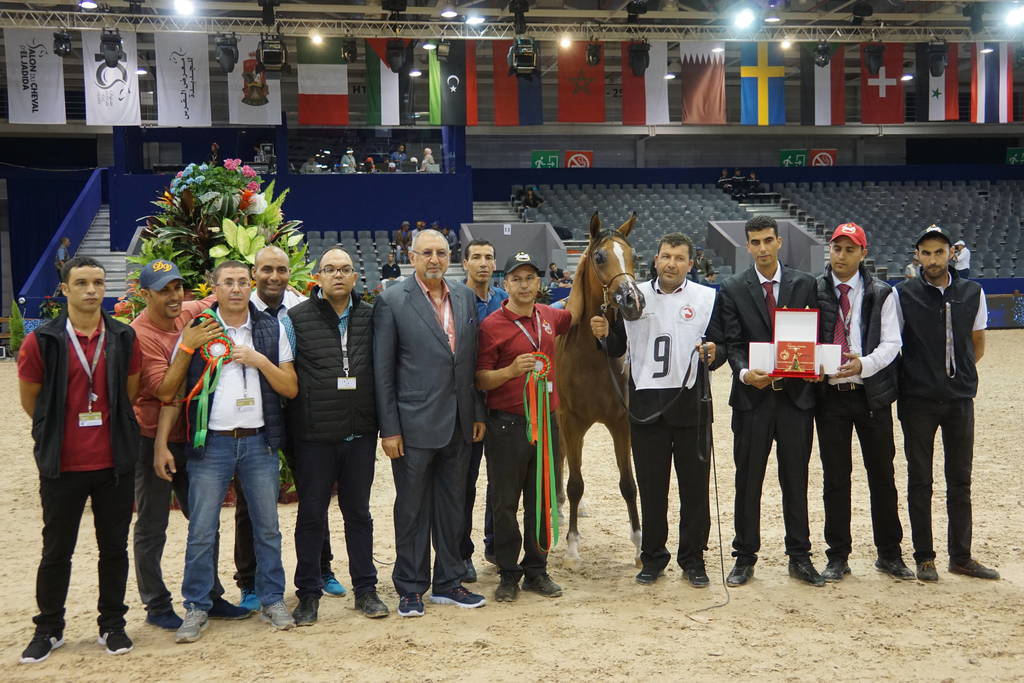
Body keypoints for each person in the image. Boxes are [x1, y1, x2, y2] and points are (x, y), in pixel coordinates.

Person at [155, 260, 298, 643]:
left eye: (241, 282)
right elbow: (171, 394)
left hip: (258, 442)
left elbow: (290, 388)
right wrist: (162, 443)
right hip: (210, 444)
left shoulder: (270, 328)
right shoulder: (197, 331)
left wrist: (260, 360)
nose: (236, 289)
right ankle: (197, 606)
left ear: (250, 286)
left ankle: (272, 599)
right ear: (213, 288)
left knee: (267, 528)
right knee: (202, 530)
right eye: (227, 282)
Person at [17, 256, 142, 663]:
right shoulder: (43, 341)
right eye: (83, 283)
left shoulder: (123, 337)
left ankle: (113, 624)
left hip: (113, 464)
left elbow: (130, 393)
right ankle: (49, 628)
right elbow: (31, 402)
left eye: (99, 283)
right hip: (63, 465)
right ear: (65, 290)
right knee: (56, 551)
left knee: (114, 549)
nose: (92, 290)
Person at [590, 234, 725, 587]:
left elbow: (722, 345)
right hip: (647, 409)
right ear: (656, 258)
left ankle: (693, 559)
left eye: (679, 258)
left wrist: (715, 352)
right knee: (651, 489)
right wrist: (603, 334)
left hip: (691, 407)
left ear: (690, 263)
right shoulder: (634, 296)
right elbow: (618, 345)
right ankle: (653, 557)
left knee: (694, 490)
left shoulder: (707, 298)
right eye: (666, 256)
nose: (671, 263)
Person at [373, 229, 487, 617]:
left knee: (454, 505)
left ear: (450, 256)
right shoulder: (391, 301)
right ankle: (409, 588)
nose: (434, 259)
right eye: (427, 253)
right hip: (413, 427)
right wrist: (389, 429)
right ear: (411, 255)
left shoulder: (466, 296)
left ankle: (449, 582)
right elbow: (383, 371)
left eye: (441, 252)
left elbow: (471, 364)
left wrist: (475, 415)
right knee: (412, 510)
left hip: (459, 423)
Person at [131, 260, 250, 630]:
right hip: (153, 439)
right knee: (152, 526)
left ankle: (209, 595)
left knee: (204, 522)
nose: (173, 296)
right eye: (163, 289)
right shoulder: (140, 334)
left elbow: (227, 296)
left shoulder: (188, 312)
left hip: (195, 436)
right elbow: (164, 391)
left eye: (177, 288)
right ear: (144, 294)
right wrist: (187, 347)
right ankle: (156, 603)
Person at [235, 247, 345, 611]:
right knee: (249, 503)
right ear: (255, 272)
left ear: (290, 273)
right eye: (267, 269)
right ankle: (248, 582)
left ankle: (321, 569)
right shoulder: (238, 311)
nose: (274, 277)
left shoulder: (302, 308)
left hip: (301, 412)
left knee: (314, 494)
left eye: (281, 270)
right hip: (255, 415)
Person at [718, 215, 824, 587]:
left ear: (779, 242)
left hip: (796, 400)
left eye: (768, 241)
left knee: (795, 479)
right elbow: (732, 344)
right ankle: (744, 558)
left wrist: (815, 366)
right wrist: (746, 373)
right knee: (748, 481)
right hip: (752, 400)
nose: (762, 248)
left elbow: (815, 336)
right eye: (755, 242)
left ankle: (800, 557)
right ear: (747, 246)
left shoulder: (805, 283)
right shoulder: (731, 288)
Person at [288, 247, 390, 624]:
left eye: (345, 269)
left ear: (354, 276)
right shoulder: (295, 320)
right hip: (314, 437)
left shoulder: (371, 315)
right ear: (317, 276)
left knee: (358, 515)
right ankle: (308, 595)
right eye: (329, 269)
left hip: (360, 434)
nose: (338, 275)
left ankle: (366, 590)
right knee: (312, 515)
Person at [893, 225, 998, 582]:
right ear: (917, 255)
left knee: (960, 479)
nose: (933, 259)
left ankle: (961, 556)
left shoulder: (972, 292)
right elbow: (895, 345)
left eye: (939, 252)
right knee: (920, 479)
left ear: (951, 253)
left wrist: (957, 377)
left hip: (958, 399)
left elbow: (977, 343)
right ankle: (924, 557)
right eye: (926, 252)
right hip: (917, 400)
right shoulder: (903, 294)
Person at [814, 224, 915, 582]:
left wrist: (864, 365)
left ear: (862, 254)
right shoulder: (815, 289)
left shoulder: (882, 292)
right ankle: (837, 556)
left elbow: (891, 343)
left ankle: (889, 553)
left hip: (872, 396)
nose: (841, 256)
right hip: (830, 398)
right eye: (836, 248)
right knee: (835, 479)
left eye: (849, 249)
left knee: (882, 476)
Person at [476, 252, 574, 602]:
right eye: (517, 279)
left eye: (530, 278)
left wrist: (599, 323)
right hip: (507, 425)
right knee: (504, 502)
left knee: (541, 498)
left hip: (547, 422)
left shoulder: (550, 316)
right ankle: (507, 572)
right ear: (506, 284)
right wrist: (510, 372)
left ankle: (537, 569)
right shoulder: (491, 327)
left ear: (539, 283)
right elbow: (481, 378)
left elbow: (575, 314)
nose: (524, 284)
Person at [460, 239, 508, 580]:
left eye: (488, 258)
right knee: (464, 484)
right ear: (465, 264)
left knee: (501, 483)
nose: (483, 263)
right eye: (476, 257)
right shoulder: (453, 301)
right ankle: (462, 551)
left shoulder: (503, 302)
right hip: (465, 405)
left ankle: (496, 544)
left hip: (500, 405)